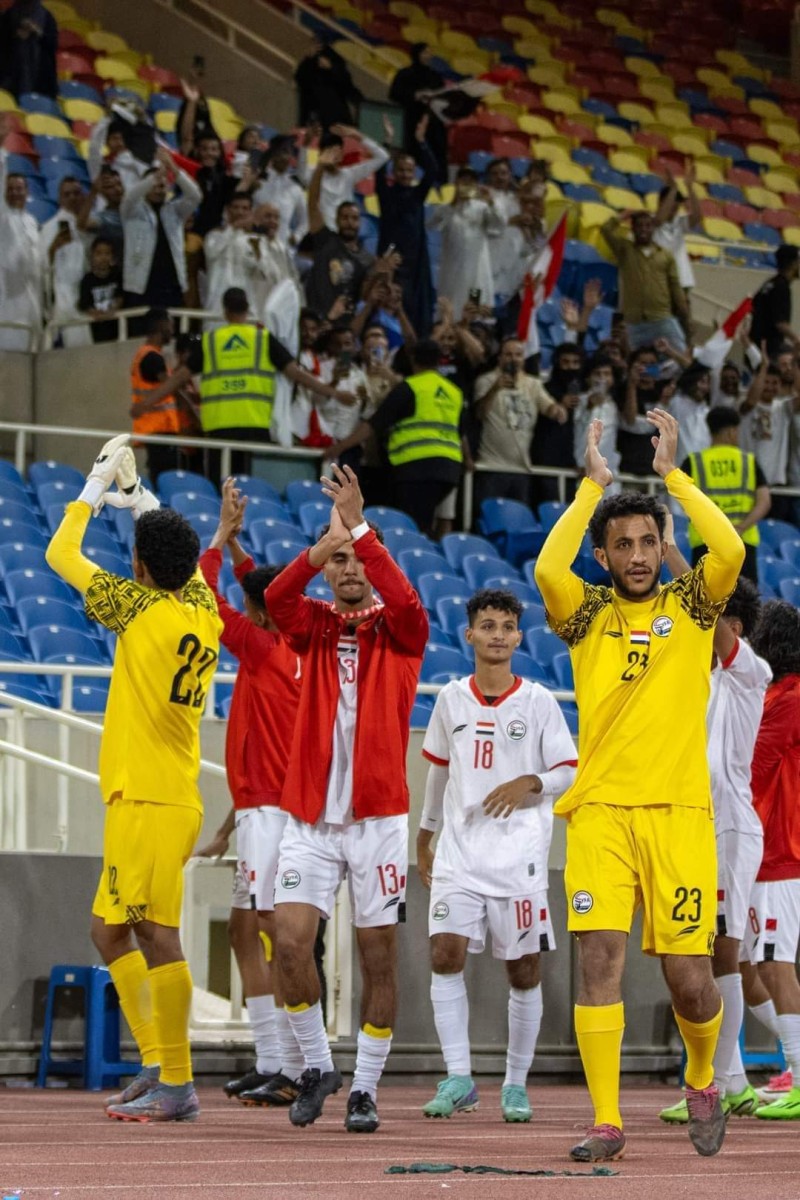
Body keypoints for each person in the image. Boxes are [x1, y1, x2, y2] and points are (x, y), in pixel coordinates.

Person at [534, 409, 745, 1162]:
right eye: (621, 544)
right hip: (599, 816)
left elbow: (729, 546)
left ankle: (701, 1075)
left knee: (691, 981)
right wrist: (593, 488)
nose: (636, 554)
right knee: (598, 963)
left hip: (681, 818)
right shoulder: (586, 615)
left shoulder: (690, 610)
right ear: (604, 552)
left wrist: (673, 480)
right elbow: (547, 572)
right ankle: (606, 1119)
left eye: (647, 542)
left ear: (663, 549)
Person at [45, 436, 222, 1121]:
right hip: (150, 794)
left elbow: (61, 556)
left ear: (140, 567)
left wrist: (93, 489)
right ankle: (156, 1063)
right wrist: (139, 492)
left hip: (154, 796)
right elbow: (184, 556)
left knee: (155, 933)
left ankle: (177, 1081)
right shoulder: (202, 607)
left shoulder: (138, 608)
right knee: (108, 932)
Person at [267, 464, 427, 1133]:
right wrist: (322, 546)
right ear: (329, 572)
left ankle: (364, 1088)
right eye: (339, 562)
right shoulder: (312, 624)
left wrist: (358, 526)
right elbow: (276, 598)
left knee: (376, 957)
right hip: (310, 817)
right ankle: (315, 1065)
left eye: (359, 558)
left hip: (378, 823)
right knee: (290, 941)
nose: (350, 568)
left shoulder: (404, 629)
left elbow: (407, 598)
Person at [417, 589, 576, 1122]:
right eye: (488, 626)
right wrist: (425, 834)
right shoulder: (449, 698)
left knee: (524, 969)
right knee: (444, 954)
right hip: (459, 855)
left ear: (518, 636)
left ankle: (514, 1083)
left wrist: (530, 780)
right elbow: (439, 771)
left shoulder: (538, 702)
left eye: (508, 626)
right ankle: (459, 1076)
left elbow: (570, 771)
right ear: (469, 635)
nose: (499, 635)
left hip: (519, 860)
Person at [195, 479, 305, 1106]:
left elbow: (205, 600)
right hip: (258, 807)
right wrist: (239, 550)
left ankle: (292, 1064)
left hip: (273, 816)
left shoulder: (265, 650)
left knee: (274, 932)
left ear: (260, 613)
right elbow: (257, 590)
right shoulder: (281, 643)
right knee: (244, 930)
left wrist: (216, 542)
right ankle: (272, 1058)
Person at [657, 563, 771, 1123]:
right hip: (687, 826)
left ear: (735, 627)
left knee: (720, 950)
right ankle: (735, 1081)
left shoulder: (749, 674)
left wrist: (679, 558)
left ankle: (717, 1085)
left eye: (712, 616)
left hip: (728, 825)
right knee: (702, 950)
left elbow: (718, 625)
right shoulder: (686, 680)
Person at [199, 287, 355, 477]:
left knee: (219, 490)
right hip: (255, 425)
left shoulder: (209, 341)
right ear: (248, 309)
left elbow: (179, 377)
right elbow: (297, 374)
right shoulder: (263, 338)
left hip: (219, 426)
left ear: (224, 311)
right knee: (250, 492)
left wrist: (150, 401)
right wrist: (336, 394)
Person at [746, 601, 800, 1120]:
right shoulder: (773, 694)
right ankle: (792, 1060)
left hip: (782, 846)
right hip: (758, 845)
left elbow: (756, 767)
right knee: (743, 962)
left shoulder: (791, 696)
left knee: (775, 962)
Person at [325, 339, 464, 535]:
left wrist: (339, 447)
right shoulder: (454, 392)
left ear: (413, 360)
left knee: (409, 527)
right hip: (449, 469)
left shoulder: (410, 387)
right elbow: (462, 433)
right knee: (423, 523)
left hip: (416, 467)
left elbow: (373, 425)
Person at [474, 337, 567, 508]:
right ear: (499, 358)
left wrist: (558, 410)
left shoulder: (533, 384)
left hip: (521, 468)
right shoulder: (486, 380)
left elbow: (550, 407)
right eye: (508, 354)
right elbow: (479, 414)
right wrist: (495, 388)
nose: (513, 359)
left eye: (518, 355)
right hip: (491, 465)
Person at [683, 406, 771, 584]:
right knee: (745, 605)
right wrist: (739, 528)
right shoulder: (748, 461)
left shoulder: (694, 461)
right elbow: (764, 502)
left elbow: (684, 501)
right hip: (742, 542)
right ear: (732, 431)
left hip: (706, 543)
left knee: (705, 604)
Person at [121, 146, 202, 313]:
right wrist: (155, 176)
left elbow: (196, 196)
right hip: (141, 285)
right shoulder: (133, 211)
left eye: (163, 185)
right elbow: (130, 197)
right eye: (155, 185)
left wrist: (174, 170)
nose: (160, 188)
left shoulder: (175, 210)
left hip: (172, 284)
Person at [375, 117, 437, 336]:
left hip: (415, 262)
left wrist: (421, 141)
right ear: (394, 172)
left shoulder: (417, 195)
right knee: (388, 306)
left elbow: (432, 170)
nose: (405, 174)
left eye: (409, 170)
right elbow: (378, 171)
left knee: (414, 310)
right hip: (392, 259)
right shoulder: (386, 193)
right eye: (400, 170)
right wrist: (388, 142)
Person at [601, 210, 691, 352]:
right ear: (633, 228)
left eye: (648, 225)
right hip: (634, 322)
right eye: (639, 225)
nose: (644, 229)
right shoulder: (624, 249)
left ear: (653, 228)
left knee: (682, 354)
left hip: (661, 317)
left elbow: (675, 286)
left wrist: (684, 313)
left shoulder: (665, 255)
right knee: (631, 362)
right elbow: (605, 229)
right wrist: (623, 216)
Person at [427, 168, 503, 320]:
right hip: (452, 270)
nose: (466, 185)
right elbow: (430, 226)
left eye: (471, 182)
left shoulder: (482, 208)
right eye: (463, 181)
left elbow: (498, 226)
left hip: (477, 271)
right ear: (456, 183)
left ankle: (473, 326)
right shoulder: (445, 209)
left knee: (474, 302)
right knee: (451, 304)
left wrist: (491, 202)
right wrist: (453, 203)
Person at [129, 307, 191, 486]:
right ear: (161, 325)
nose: (173, 329)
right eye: (170, 324)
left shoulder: (146, 355)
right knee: (166, 482)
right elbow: (172, 388)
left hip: (157, 431)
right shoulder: (151, 357)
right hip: (160, 430)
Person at [299, 125, 389, 233]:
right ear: (321, 154)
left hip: (344, 235)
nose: (332, 156)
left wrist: (356, 135)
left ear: (342, 154)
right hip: (321, 235)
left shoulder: (349, 174)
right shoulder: (314, 175)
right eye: (328, 152)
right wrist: (305, 145)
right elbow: (301, 175)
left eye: (336, 151)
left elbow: (383, 157)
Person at [740, 355, 798, 521]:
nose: (770, 387)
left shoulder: (783, 408)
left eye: (775, 383)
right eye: (766, 381)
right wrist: (763, 368)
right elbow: (750, 402)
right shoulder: (743, 405)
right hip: (748, 484)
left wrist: (795, 368)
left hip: (776, 487)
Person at [0, 125, 42, 351]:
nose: (15, 192)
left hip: (33, 305)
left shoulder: (32, 222)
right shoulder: (3, 218)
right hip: (9, 305)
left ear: (27, 192)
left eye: (20, 188)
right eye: (11, 189)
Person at [389, 43, 448, 187]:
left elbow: (443, 95)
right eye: (425, 52)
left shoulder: (435, 75)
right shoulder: (404, 74)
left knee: (435, 153)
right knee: (414, 151)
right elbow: (394, 94)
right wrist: (414, 95)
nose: (429, 56)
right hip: (412, 120)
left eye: (429, 52)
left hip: (433, 121)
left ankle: (438, 185)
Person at [40, 174, 88, 347]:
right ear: (60, 198)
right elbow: (42, 266)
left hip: (84, 296)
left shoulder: (87, 225)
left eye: (76, 193)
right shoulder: (50, 227)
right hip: (62, 298)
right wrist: (53, 248)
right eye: (67, 194)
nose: (73, 198)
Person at [653, 166, 703, 300]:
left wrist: (689, 187)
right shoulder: (649, 222)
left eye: (676, 208)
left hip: (683, 279)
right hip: (660, 281)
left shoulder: (679, 222)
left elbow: (697, 217)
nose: (673, 211)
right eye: (671, 207)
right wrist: (673, 189)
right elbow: (659, 219)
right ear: (661, 203)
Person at [294, 35, 362, 130]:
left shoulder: (335, 59)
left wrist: (331, 67)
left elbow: (346, 82)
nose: (316, 46)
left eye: (318, 42)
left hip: (335, 112)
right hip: (314, 111)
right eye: (314, 43)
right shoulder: (308, 63)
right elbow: (300, 79)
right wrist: (308, 58)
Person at [251, 135, 308, 249]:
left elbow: (305, 219)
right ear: (272, 155)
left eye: (287, 152)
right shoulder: (258, 181)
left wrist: (296, 236)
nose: (283, 157)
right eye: (279, 152)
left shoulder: (295, 187)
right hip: (256, 245)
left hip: (283, 248)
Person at [750, 244, 800, 361]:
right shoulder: (781, 288)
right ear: (793, 264)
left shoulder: (770, 283)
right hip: (769, 350)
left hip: (756, 346)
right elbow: (780, 323)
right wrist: (796, 339)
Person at [0, 0, 57, 100]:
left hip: (39, 76)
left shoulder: (47, 17)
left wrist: (38, 33)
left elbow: (52, 45)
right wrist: (16, 36)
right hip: (11, 74)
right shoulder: (9, 15)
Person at [78, 236, 124, 344]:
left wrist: (113, 309)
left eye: (107, 253)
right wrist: (93, 312)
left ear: (112, 256)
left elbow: (121, 296)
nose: (103, 257)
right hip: (97, 331)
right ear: (92, 256)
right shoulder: (87, 280)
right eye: (99, 253)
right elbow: (83, 304)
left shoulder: (117, 275)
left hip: (118, 328)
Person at [77, 166, 125, 260]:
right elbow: (82, 224)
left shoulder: (135, 208)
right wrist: (93, 192)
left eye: (119, 184)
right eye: (110, 187)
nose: (117, 189)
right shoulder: (104, 217)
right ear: (102, 192)